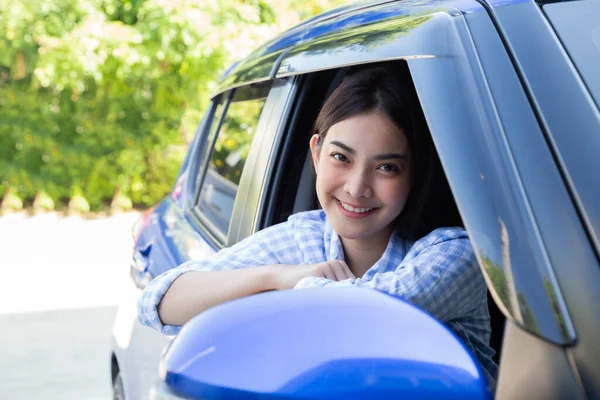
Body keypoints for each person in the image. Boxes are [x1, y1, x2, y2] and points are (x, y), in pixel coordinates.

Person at [137, 65, 498, 384]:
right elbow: (157, 302)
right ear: (316, 152)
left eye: (386, 167)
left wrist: (293, 291)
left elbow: (375, 313)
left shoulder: (457, 253)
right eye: (341, 157)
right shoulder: (300, 242)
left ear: (413, 175)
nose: (357, 187)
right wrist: (272, 278)